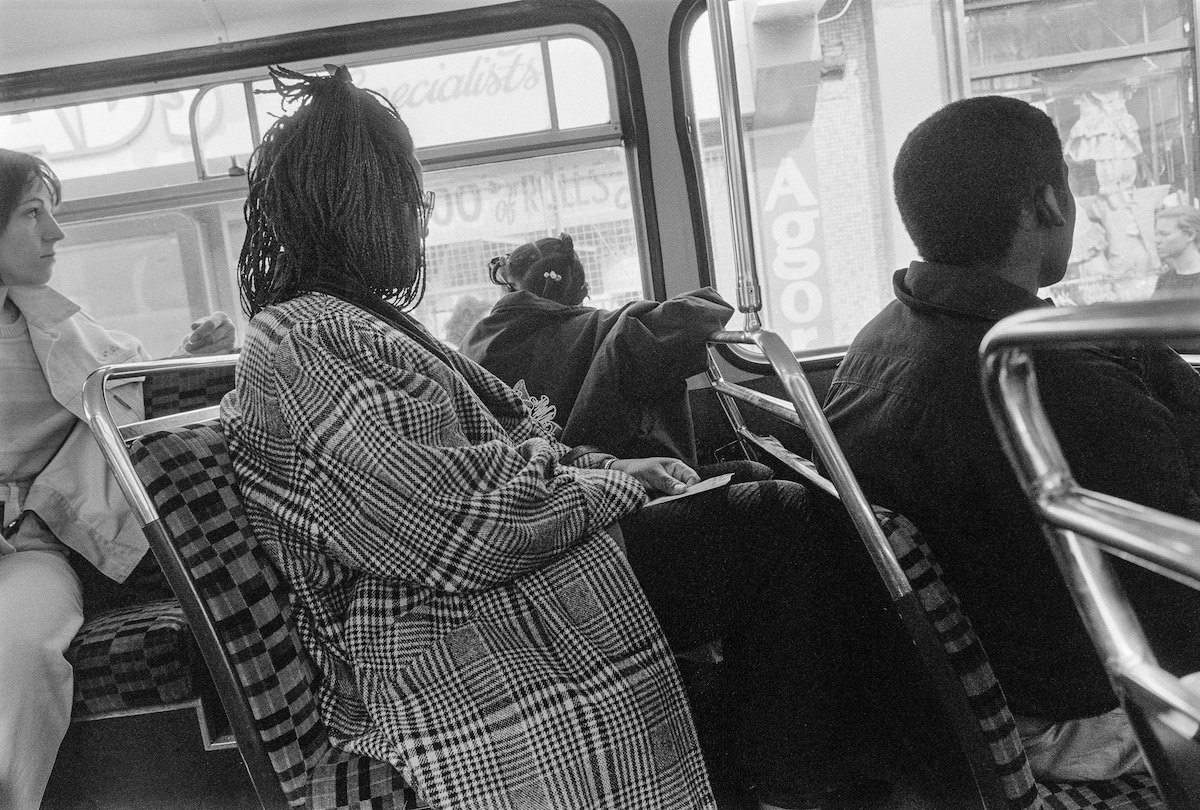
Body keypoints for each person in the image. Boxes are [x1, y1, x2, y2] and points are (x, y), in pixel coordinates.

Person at [221, 65, 881, 810]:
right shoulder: (310, 342)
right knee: (779, 524)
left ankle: (768, 777)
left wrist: (616, 466)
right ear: (365, 211)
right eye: (412, 200)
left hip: (475, 587)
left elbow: (522, 437)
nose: (419, 219)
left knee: (757, 509)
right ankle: (790, 790)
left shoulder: (356, 326)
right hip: (434, 630)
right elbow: (456, 526)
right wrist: (612, 483)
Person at [823, 95, 1200, 782]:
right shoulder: (1054, 387)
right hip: (1079, 718)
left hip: (973, 696)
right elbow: (1180, 608)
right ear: (1046, 204)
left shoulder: (880, 337)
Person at [0, 148, 236, 809]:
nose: (56, 234)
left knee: (20, 652)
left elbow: (117, 396)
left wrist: (188, 360)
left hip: (27, 549)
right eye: (33, 214)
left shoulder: (57, 324)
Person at [460, 235, 733, 464]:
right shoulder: (604, 328)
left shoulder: (472, 343)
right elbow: (703, 310)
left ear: (508, 287)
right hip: (613, 478)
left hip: (520, 486)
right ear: (576, 292)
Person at [1152, 204, 1200, 298]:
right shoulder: (1164, 280)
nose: (1157, 240)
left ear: (1190, 235)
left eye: (1164, 234)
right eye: (1156, 234)